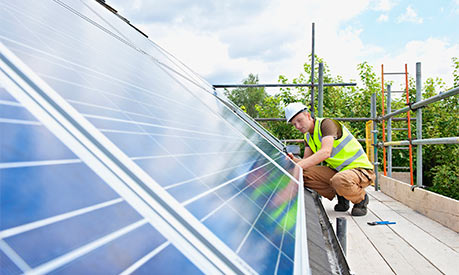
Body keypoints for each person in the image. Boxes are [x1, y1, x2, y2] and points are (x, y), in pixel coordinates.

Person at [284, 102, 375, 216]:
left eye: (299, 120)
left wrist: (298, 166)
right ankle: (342, 195)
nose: (297, 126)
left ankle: (361, 200)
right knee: (303, 174)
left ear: (308, 116)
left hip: (360, 170)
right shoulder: (308, 136)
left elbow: (325, 152)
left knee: (340, 180)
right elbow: (306, 161)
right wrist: (294, 161)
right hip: (339, 172)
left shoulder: (327, 124)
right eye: (294, 124)